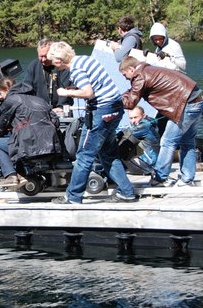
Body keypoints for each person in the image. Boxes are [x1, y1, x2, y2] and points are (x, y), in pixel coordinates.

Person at [47, 41, 137, 203]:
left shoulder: (75, 69)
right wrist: (76, 90)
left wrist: (66, 92)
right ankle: (126, 192)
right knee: (108, 153)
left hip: (101, 112)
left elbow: (88, 92)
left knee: (84, 155)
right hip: (115, 108)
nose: (54, 65)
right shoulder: (86, 59)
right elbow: (96, 85)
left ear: (59, 60)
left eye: (53, 61)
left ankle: (73, 196)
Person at [120, 56, 203, 187]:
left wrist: (114, 100)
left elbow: (131, 102)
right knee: (187, 142)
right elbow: (133, 92)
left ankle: (160, 178)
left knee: (167, 141)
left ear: (131, 69)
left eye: (126, 75)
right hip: (197, 99)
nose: (127, 79)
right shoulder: (149, 70)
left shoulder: (140, 75)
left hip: (185, 105)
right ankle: (187, 179)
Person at [0, 77, 61, 189]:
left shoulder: (11, 100)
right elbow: (56, 121)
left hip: (30, 150)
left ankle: (11, 175)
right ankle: (22, 175)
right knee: (18, 139)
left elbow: (0, 127)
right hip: (51, 149)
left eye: (0, 93)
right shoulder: (40, 100)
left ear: (7, 90)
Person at [23, 38, 73, 115]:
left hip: (61, 110)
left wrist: (60, 107)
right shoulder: (33, 66)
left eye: (45, 56)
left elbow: (66, 87)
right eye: (40, 56)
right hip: (39, 110)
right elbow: (27, 87)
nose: (43, 60)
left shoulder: (61, 65)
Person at [122, 106, 160, 173]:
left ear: (143, 115)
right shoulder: (149, 122)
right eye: (131, 118)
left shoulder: (144, 126)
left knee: (116, 146)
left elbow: (124, 132)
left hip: (148, 165)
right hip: (152, 162)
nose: (133, 121)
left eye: (136, 117)